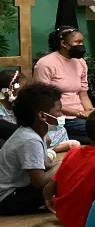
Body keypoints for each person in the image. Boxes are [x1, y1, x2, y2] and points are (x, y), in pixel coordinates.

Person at [43, 109, 95, 227]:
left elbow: (50, 187)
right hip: (87, 224)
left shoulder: (73, 152)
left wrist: (48, 199)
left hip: (64, 217)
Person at [0, 83, 63, 216]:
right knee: (64, 184)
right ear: (43, 116)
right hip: (6, 198)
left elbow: (42, 165)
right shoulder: (30, 140)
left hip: (15, 189)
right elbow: (39, 182)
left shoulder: (31, 133)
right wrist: (61, 166)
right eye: (58, 111)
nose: (61, 115)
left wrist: (56, 166)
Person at [35, 26, 95, 144]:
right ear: (63, 43)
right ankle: (62, 133)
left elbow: (83, 94)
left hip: (81, 115)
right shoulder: (45, 64)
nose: (81, 45)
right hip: (61, 117)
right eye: (77, 42)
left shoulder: (80, 62)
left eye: (82, 42)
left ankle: (66, 137)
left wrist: (89, 111)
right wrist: (78, 113)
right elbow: (45, 100)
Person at [0, 69, 77, 152]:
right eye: (23, 88)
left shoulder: (22, 105)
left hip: (30, 133)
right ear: (9, 91)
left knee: (60, 130)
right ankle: (52, 149)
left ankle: (48, 148)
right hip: (17, 138)